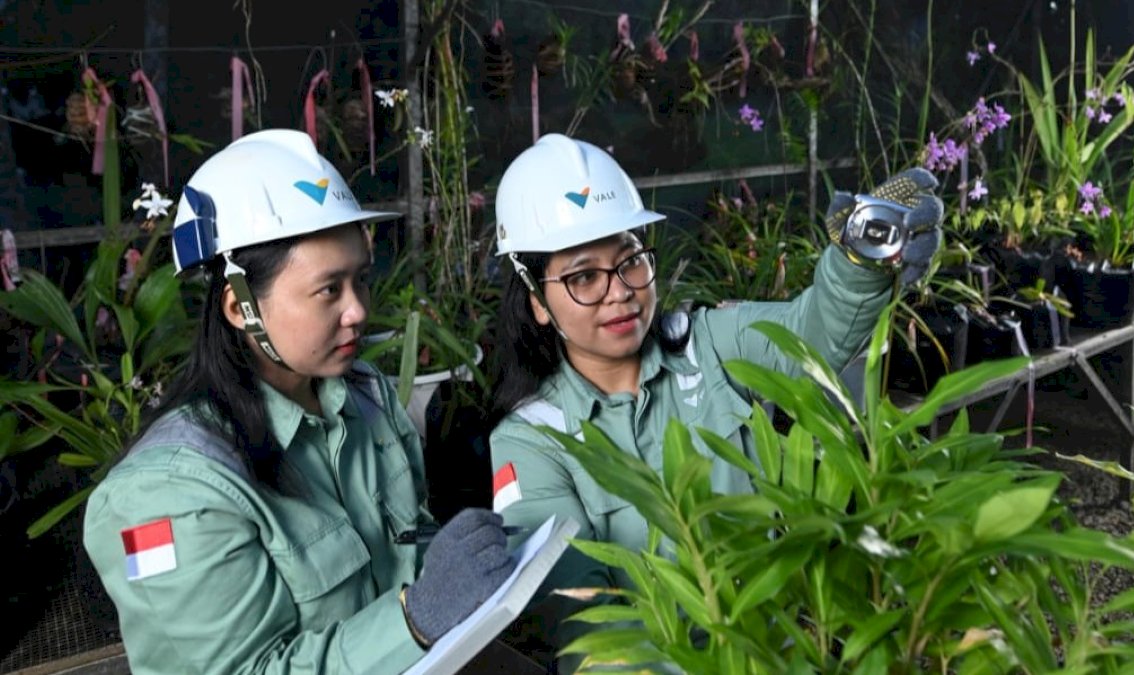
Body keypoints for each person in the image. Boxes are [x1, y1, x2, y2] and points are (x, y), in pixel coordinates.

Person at [486, 133, 944, 669]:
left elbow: (811, 333)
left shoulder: (709, 346)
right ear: (538, 300)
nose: (620, 291)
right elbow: (587, 623)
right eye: (584, 275)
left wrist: (860, 261)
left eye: (631, 259)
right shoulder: (532, 440)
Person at [83, 129, 515, 674]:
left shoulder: (368, 399)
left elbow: (411, 544)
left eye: (360, 280)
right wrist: (414, 621)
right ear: (240, 308)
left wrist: (456, 561)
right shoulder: (169, 494)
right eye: (329, 289)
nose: (358, 310)